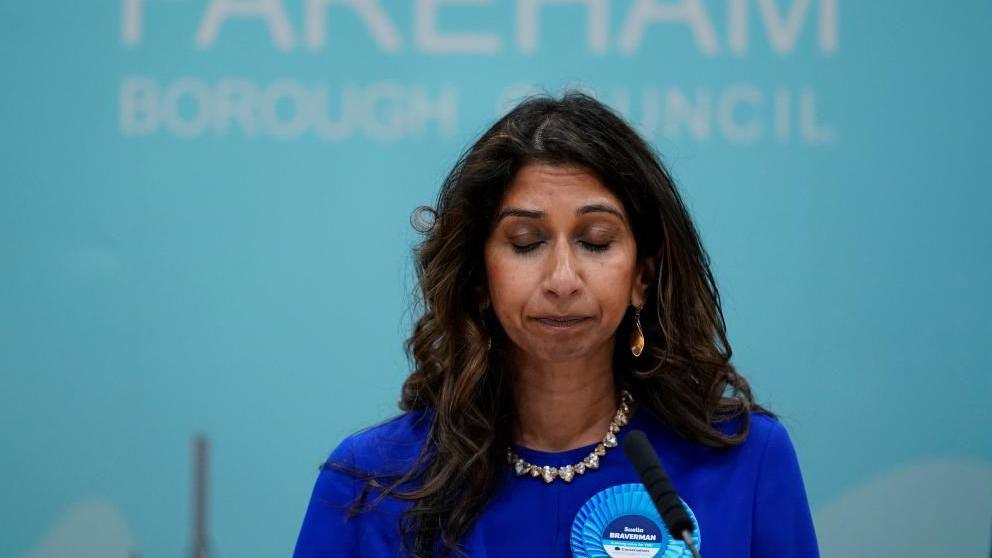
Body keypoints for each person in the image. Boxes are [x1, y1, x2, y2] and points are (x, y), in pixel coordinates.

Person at [293, 91, 819, 557]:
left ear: (643, 274)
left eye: (595, 240)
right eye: (525, 243)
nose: (563, 279)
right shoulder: (372, 481)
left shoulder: (747, 462)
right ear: (480, 277)